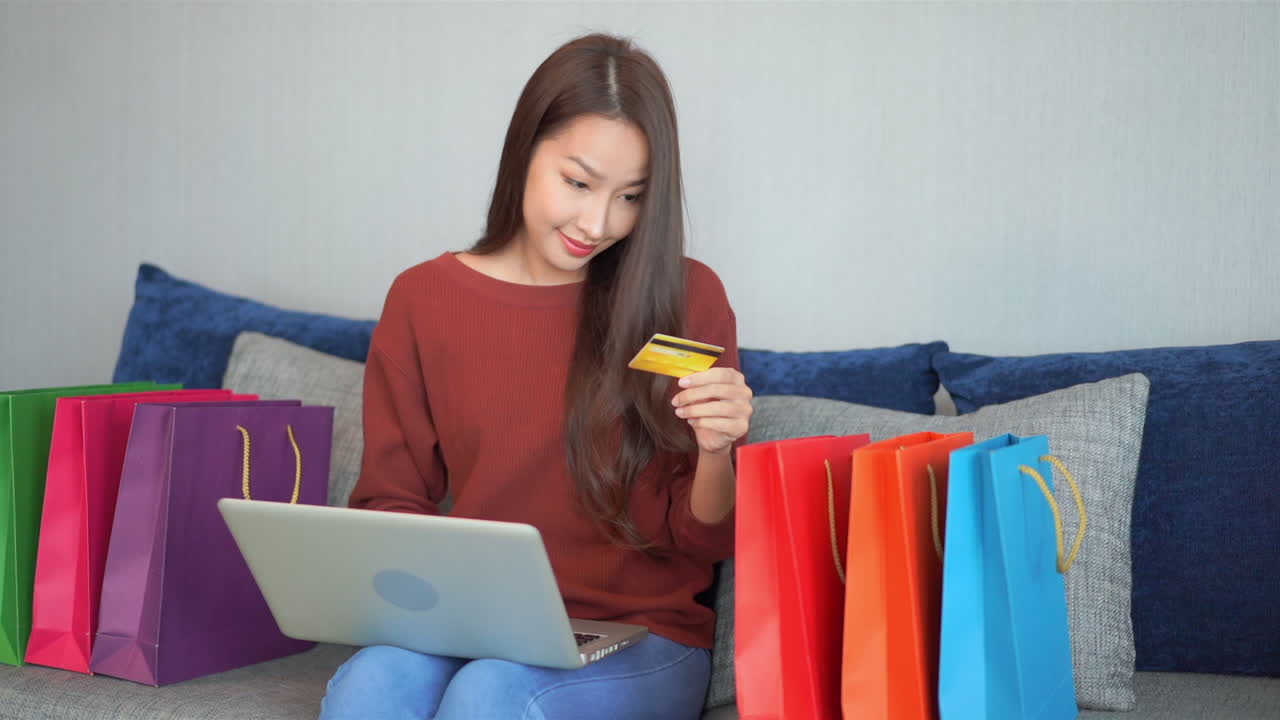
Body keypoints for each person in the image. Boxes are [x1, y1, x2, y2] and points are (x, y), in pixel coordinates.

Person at [319, 33, 753, 720]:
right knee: (371, 683)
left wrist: (715, 449)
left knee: (492, 694)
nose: (598, 222)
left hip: (642, 638)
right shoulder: (425, 301)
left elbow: (707, 539)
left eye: (630, 197)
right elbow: (391, 504)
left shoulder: (682, 300)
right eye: (578, 183)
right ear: (525, 150)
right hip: (477, 629)